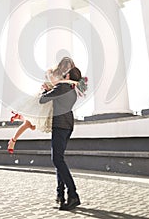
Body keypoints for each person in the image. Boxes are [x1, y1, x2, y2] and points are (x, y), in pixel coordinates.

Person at [7, 57, 75, 154]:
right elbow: (53, 82)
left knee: (32, 126)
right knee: (29, 123)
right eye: (67, 67)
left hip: (52, 101)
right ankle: (13, 140)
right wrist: (49, 87)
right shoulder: (54, 72)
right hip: (46, 97)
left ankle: (21, 117)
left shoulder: (66, 77)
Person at [39, 66, 84, 211]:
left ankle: (73, 194)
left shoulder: (62, 86)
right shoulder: (72, 90)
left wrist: (45, 91)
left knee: (56, 159)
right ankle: (61, 195)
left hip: (60, 125)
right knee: (59, 159)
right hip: (68, 124)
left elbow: (43, 100)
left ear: (68, 75)